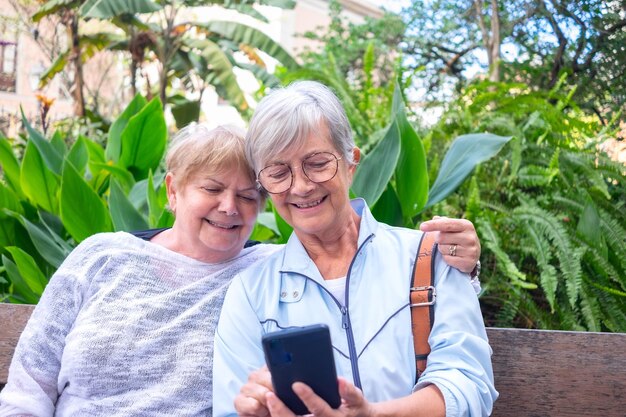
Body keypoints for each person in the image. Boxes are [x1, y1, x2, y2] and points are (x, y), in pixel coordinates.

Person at [0, 124, 481, 416]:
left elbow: (357, 266)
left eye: (248, 196)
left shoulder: (268, 272)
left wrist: (462, 263)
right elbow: (29, 387)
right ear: (172, 190)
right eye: (211, 189)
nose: (230, 208)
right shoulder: (102, 256)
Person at [212, 81, 498, 417]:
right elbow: (231, 408)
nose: (301, 186)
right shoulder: (252, 291)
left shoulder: (429, 258)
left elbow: (469, 386)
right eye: (278, 172)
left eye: (317, 163)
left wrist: (374, 415)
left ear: (351, 163)